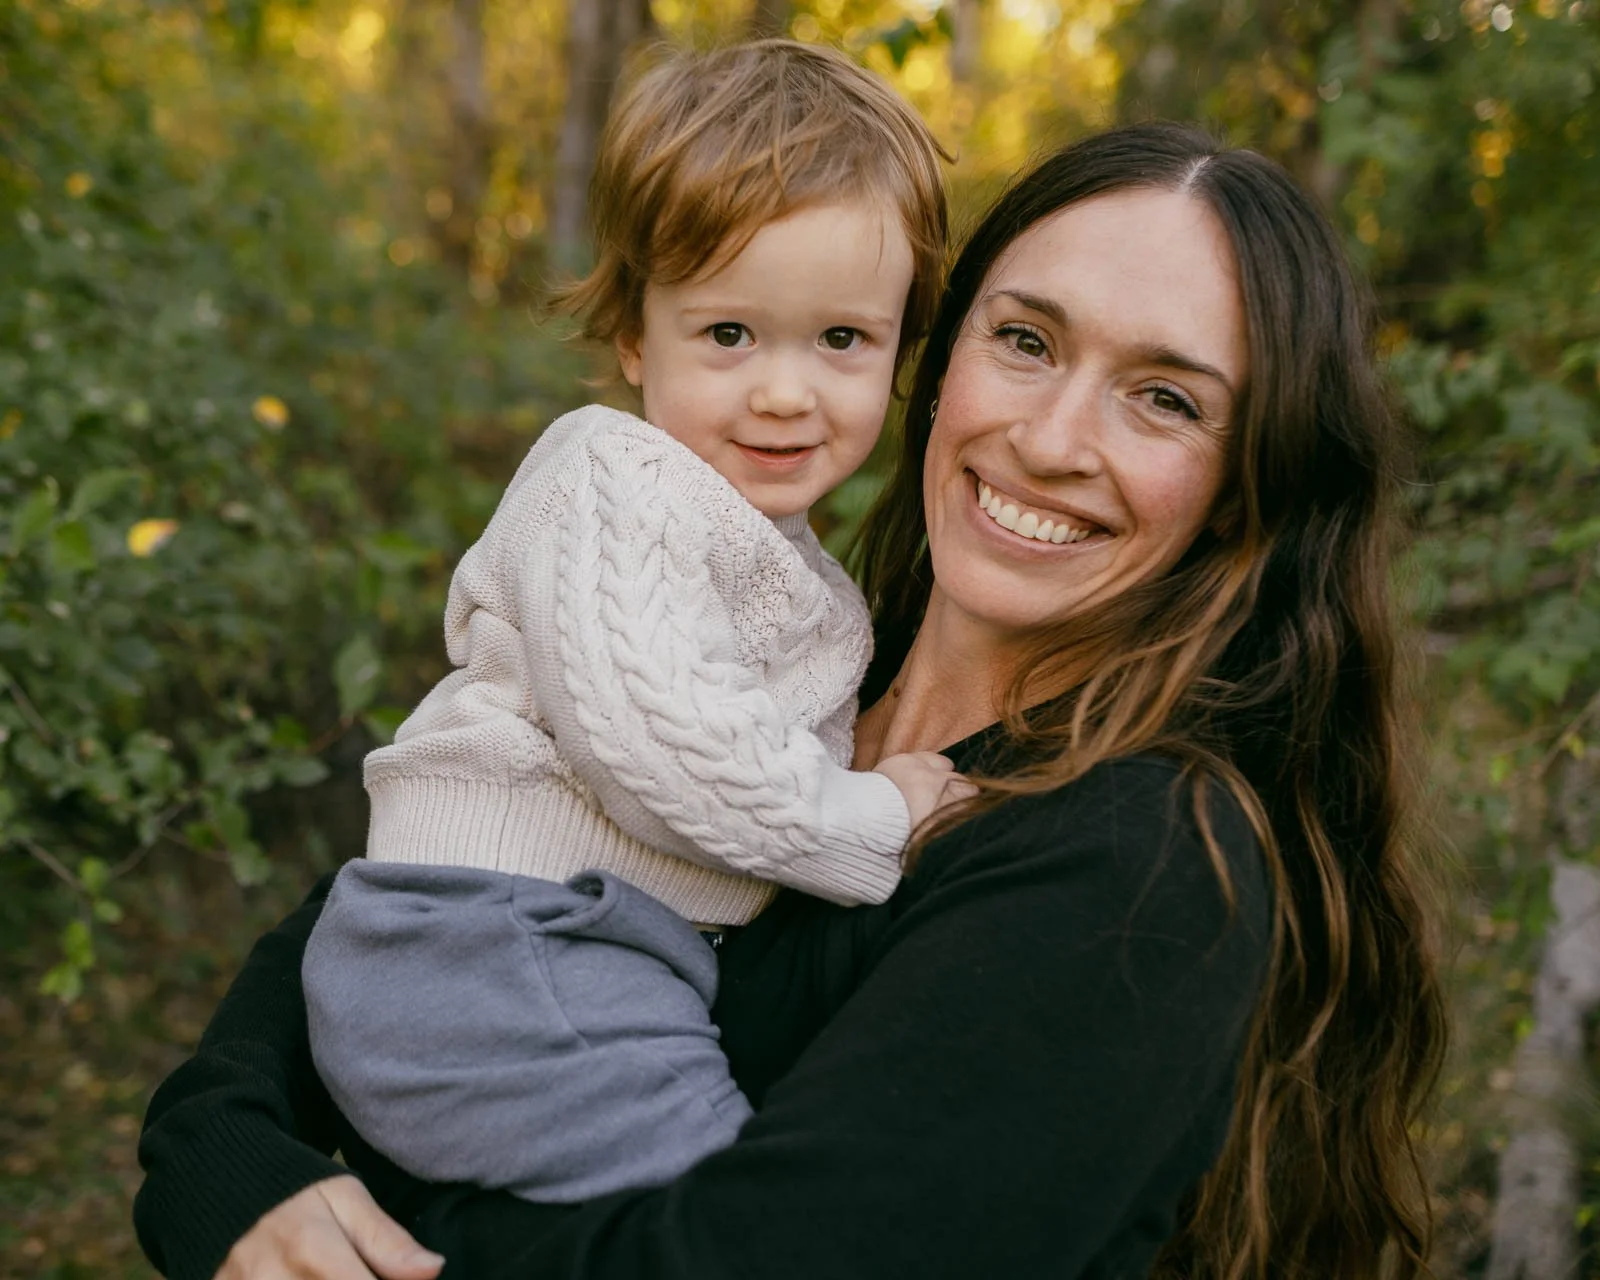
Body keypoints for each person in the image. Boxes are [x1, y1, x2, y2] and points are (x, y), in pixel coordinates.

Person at [135, 120, 1449, 1280]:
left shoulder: (1141, 859)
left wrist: (369, 1216)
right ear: (941, 355)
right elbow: (414, 886)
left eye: (1163, 398)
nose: (1051, 441)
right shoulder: (792, 671)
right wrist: (227, 1163)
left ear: (1248, 483)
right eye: (1025, 340)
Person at [299, 37, 960, 1210]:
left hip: (575, 949)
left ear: (900, 348)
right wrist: (879, 815)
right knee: (732, 1220)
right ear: (632, 336)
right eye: (728, 333)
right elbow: (674, 750)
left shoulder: (786, 559)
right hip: (496, 943)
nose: (784, 391)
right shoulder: (615, 480)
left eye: (841, 339)